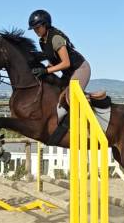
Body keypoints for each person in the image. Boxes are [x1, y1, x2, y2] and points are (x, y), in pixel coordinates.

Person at [27, 9, 104, 138]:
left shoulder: (56, 38)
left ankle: (91, 120)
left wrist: (46, 71)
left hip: (80, 68)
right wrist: (44, 70)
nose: (36, 31)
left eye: (37, 27)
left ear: (45, 24)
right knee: (56, 92)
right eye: (34, 28)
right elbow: (53, 61)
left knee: (70, 96)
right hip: (69, 73)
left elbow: (65, 63)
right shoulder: (42, 41)